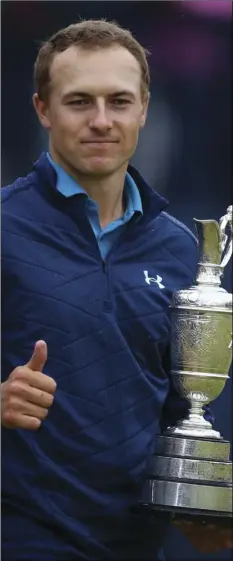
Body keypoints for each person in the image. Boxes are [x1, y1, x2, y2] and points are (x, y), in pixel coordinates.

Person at [1, 19, 232, 561]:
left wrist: (197, 510)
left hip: (133, 545)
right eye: (79, 101)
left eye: (119, 102)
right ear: (42, 110)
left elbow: (179, 413)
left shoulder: (181, 255)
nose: (101, 121)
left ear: (144, 110)